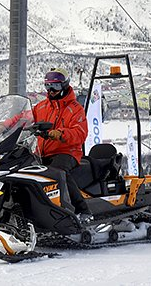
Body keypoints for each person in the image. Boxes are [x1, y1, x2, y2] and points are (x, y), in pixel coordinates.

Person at [30, 68, 92, 222]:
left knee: (57, 172)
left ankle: (82, 210)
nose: (50, 91)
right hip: (42, 152)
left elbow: (80, 133)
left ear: (65, 86)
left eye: (55, 87)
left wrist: (61, 134)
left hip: (67, 152)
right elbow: (23, 117)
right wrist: (4, 126)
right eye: (48, 86)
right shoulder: (42, 107)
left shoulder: (75, 109)